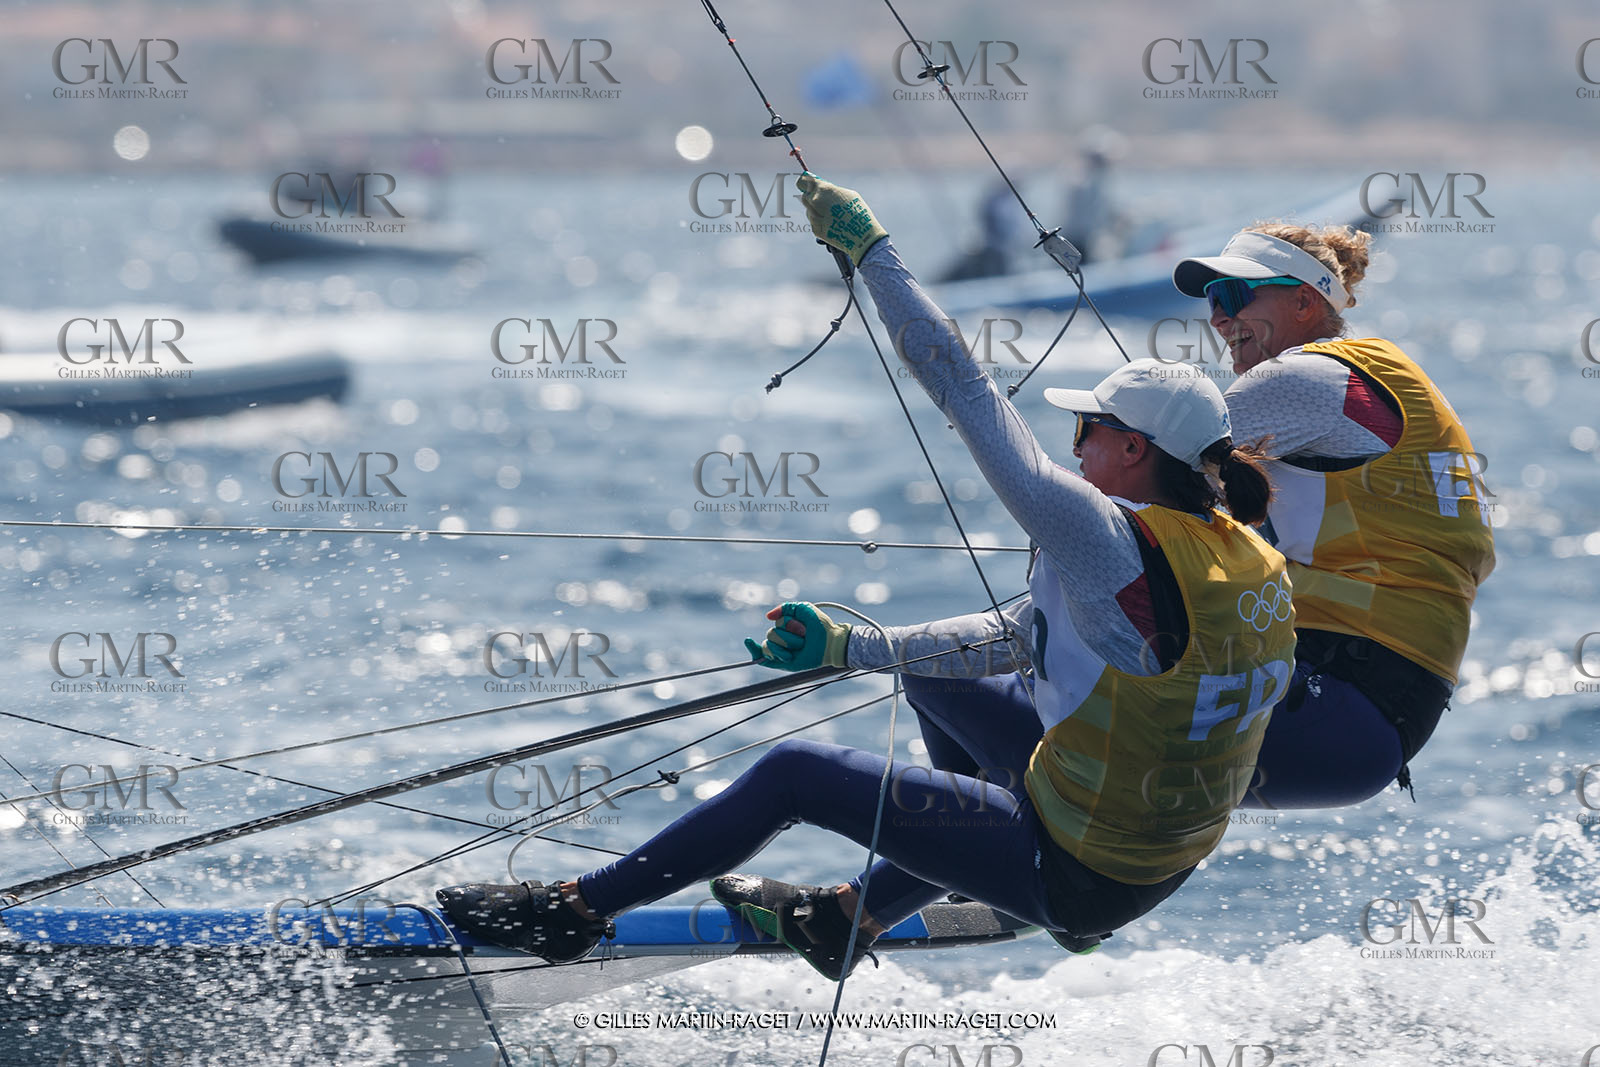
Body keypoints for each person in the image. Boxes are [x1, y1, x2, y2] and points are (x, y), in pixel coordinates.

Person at [436, 176, 1297, 981]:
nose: (1075, 447)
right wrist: (857, 646)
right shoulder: (1240, 549)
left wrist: (873, 252)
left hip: (1081, 870)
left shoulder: (1106, 536)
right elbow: (1011, 638)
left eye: (1088, 430)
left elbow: (965, 388)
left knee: (795, 771)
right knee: (928, 678)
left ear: (1135, 449)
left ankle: (575, 912)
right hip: (1151, 856)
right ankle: (851, 916)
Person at [1169, 226, 1496, 808]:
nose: (1219, 318)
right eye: (1212, 301)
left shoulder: (1307, 378)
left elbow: (1132, 467)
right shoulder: (1381, 371)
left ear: (1304, 300)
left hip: (1342, 696)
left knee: (981, 692)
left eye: (1235, 296)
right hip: (1382, 712)